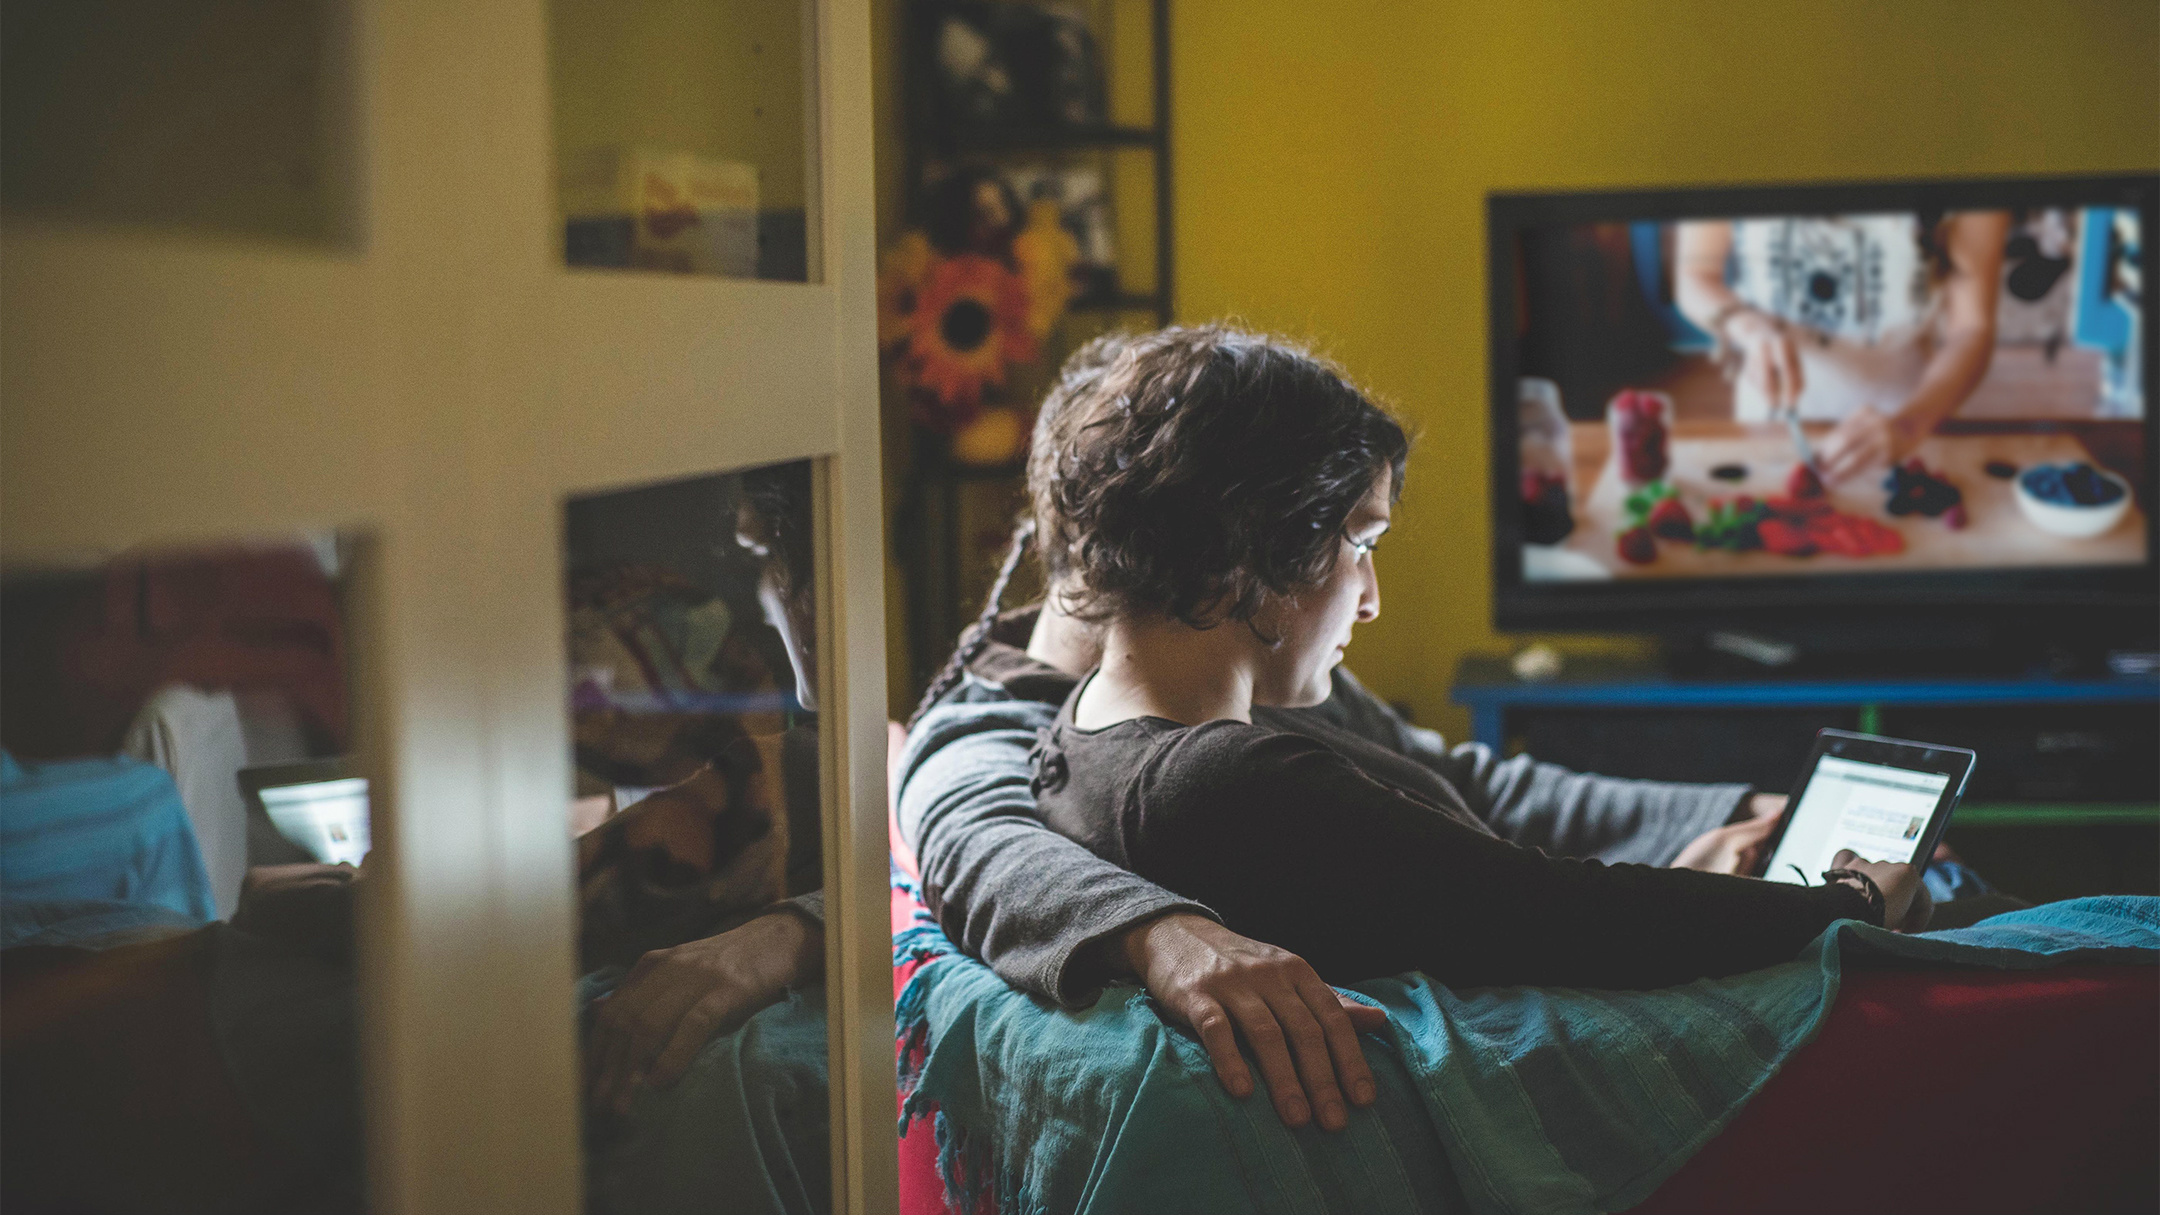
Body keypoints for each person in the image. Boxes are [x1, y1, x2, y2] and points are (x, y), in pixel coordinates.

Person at [895, 331, 1911, 1136]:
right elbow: (1554, 916)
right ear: (1256, 548)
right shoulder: (1232, 780)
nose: (1372, 600)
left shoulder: (1088, 727)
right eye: (1361, 545)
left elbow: (1464, 858)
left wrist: (1707, 839)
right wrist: (1843, 902)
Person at [1673, 211, 2009, 485]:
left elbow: (1972, 328)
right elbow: (1695, 275)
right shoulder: (1729, 137)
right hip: (1769, 418)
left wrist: (1909, 426)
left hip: (1910, 420)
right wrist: (1747, 326)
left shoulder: (1965, 150)